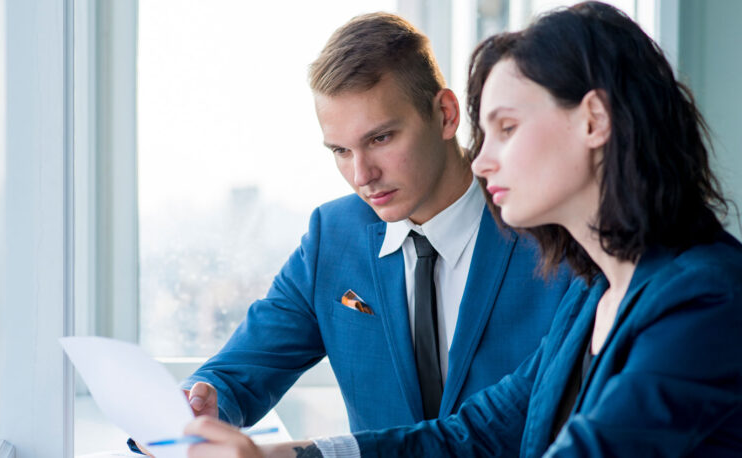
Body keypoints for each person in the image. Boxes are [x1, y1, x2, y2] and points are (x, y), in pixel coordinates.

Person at [180, 2, 742, 457]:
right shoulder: (596, 292)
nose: (484, 160)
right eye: (340, 151)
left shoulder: (706, 295)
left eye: (507, 128)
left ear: (594, 121)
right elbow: (478, 433)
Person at [153, 11, 571, 451]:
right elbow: (238, 372)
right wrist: (199, 404)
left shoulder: (554, 236)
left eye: (380, 139)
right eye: (340, 150)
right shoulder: (333, 237)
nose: (362, 175)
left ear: (446, 115)